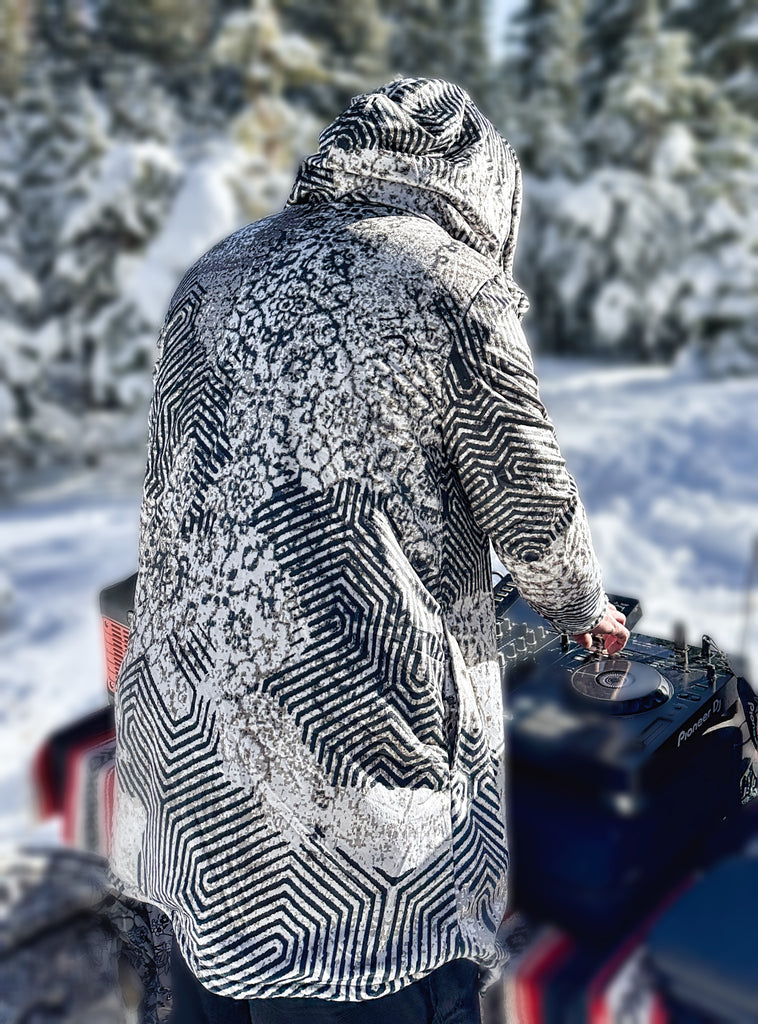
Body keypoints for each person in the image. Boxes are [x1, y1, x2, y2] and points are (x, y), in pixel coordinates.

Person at [109, 77, 629, 1023]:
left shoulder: (215, 272)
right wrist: (584, 611)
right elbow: (536, 521)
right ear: (483, 187)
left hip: (187, 799)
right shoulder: (447, 284)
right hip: (349, 837)